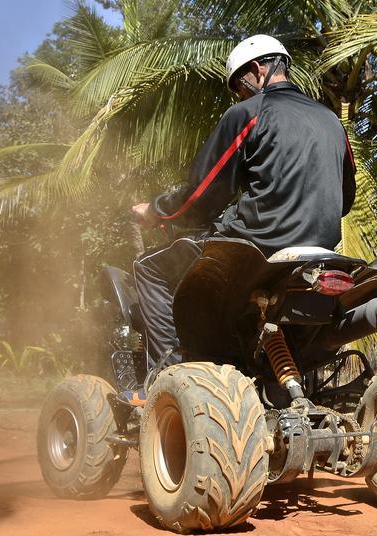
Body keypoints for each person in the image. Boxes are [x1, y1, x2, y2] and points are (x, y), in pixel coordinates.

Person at [130, 34, 356, 378]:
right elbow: (345, 200)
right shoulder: (331, 122)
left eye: (239, 86)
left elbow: (201, 196)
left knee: (149, 267)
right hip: (322, 251)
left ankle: (169, 378)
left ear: (255, 70)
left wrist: (155, 211)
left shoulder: (248, 114)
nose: (240, 95)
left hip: (260, 248)